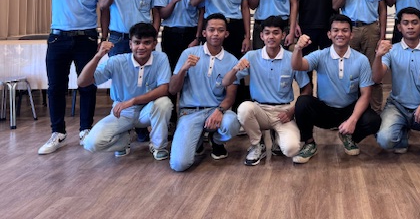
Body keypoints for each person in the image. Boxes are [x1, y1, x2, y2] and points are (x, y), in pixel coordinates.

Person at [21, 0, 106, 154]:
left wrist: (104, 36)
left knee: (87, 85)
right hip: (58, 38)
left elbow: (105, 9)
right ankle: (57, 132)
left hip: (87, 38)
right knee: (56, 87)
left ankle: (86, 130)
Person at [291, 14, 382, 164]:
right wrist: (298, 48)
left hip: (348, 110)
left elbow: (366, 94)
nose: (340, 34)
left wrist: (352, 120)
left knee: (373, 120)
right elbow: (297, 65)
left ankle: (349, 137)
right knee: (302, 103)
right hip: (325, 110)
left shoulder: (361, 60)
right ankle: (309, 143)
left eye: (345, 30)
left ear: (351, 35)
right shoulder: (320, 55)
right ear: (329, 34)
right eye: (336, 30)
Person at [222, 16, 312, 166]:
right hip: (260, 110)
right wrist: (235, 69)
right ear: (261, 36)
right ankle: (258, 144)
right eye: (267, 33)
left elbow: (306, 89)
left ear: (283, 35)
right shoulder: (252, 56)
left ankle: (276, 136)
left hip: (283, 112)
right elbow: (226, 82)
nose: (271, 37)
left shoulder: (292, 58)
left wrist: (292, 110)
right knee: (244, 108)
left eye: (276, 33)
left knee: (291, 149)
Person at [78, 23, 172, 160]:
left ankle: (158, 147)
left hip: (147, 110)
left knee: (164, 103)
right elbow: (82, 82)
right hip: (122, 112)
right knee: (90, 143)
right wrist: (98, 56)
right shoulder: (116, 61)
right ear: (130, 44)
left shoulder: (161, 58)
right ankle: (123, 141)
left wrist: (133, 101)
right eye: (137, 42)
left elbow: (164, 89)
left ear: (154, 44)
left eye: (146, 43)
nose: (141, 47)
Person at [169, 13, 241, 172]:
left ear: (226, 34)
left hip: (215, 111)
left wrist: (219, 111)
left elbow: (230, 97)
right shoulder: (188, 54)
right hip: (190, 112)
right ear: (204, 33)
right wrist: (183, 69)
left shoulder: (232, 60)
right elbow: (173, 89)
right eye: (211, 30)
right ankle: (198, 140)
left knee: (232, 122)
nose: (216, 34)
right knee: (179, 164)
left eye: (220, 30)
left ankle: (217, 141)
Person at [373, 7, 420, 161]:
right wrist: (378, 56)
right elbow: (376, 78)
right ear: (399, 27)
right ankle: (402, 135)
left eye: (414, 23)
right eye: (406, 23)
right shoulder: (391, 51)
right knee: (385, 140)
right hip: (397, 106)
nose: (410, 27)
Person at [331, 0, 387, 112]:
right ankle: (349, 111)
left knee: (373, 73)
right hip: (349, 30)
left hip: (371, 29)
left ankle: (375, 112)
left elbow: (382, 9)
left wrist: (382, 36)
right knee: (349, 71)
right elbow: (335, 5)